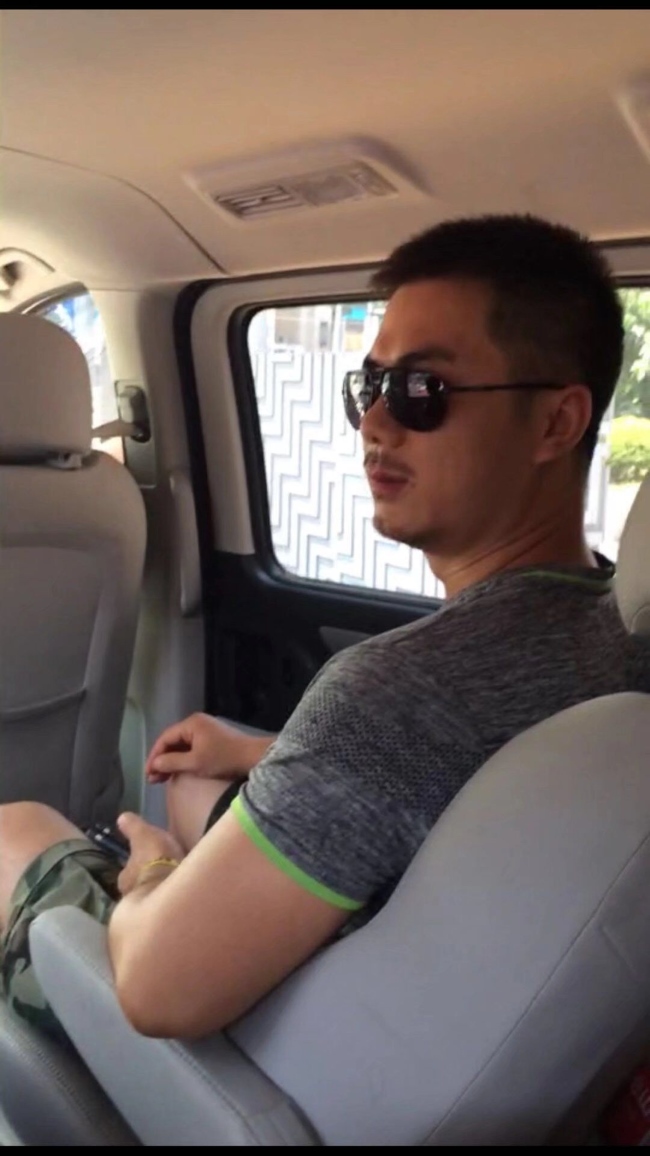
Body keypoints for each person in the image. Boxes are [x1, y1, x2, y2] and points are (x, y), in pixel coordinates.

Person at [2, 212, 648, 1044]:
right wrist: (261, 753)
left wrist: (152, 868)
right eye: (368, 388)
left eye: (421, 391)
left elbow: (158, 993)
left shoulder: (404, 687)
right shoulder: (610, 632)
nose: (375, 423)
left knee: (18, 828)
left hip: (257, 1072)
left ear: (557, 423)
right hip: (433, 1005)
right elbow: (464, 780)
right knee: (196, 781)